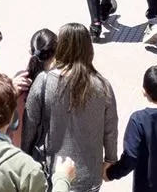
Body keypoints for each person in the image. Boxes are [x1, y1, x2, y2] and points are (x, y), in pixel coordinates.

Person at [22, 23, 119, 192]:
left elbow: (29, 126)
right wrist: (110, 159)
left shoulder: (44, 81)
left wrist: (24, 157)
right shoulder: (103, 85)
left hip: (52, 173)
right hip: (90, 177)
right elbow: (110, 128)